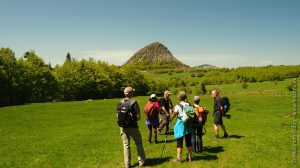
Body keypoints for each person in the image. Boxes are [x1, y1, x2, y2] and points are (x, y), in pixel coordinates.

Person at [116, 87, 146, 168]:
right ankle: (141, 162)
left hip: (122, 127)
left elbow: (117, 116)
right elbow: (138, 116)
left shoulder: (120, 102)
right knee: (138, 143)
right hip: (133, 126)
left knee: (126, 145)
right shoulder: (134, 102)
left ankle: (127, 164)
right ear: (131, 93)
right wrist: (135, 119)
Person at [172, 91, 193, 162]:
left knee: (179, 142)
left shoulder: (178, 106)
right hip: (188, 125)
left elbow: (173, 115)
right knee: (188, 141)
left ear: (179, 98)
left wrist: (171, 117)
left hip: (181, 125)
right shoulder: (189, 104)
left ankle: (179, 158)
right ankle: (189, 157)